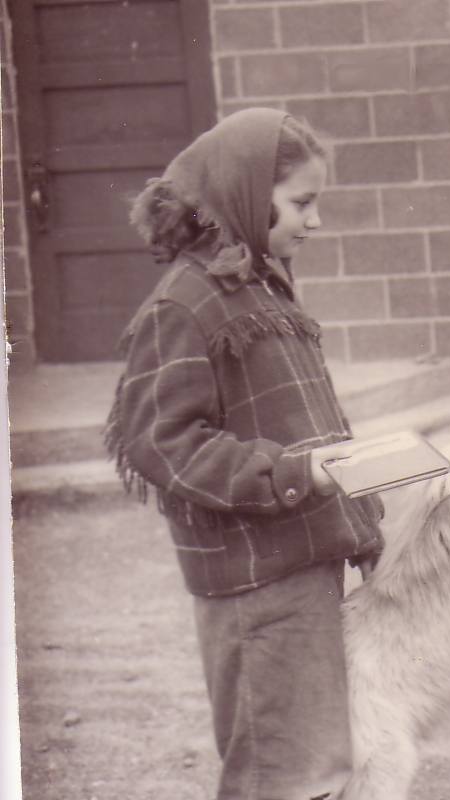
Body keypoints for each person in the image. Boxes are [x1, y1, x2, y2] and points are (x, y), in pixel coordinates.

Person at [105, 108, 384, 800]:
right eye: (302, 203)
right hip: (253, 587)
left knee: (318, 764)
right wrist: (290, 473)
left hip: (300, 564)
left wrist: (362, 515)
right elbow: (159, 440)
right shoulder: (184, 304)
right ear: (243, 192)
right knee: (276, 774)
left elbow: (314, 419)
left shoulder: (261, 284)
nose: (313, 222)